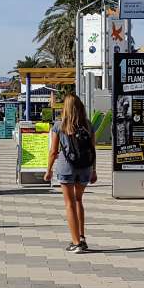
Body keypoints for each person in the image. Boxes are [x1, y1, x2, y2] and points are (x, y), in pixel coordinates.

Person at [45, 93, 96, 252]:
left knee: (69, 203)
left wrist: (48, 171)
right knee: (79, 200)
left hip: (66, 168)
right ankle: (82, 237)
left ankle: (76, 243)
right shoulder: (88, 124)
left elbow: (53, 151)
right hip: (85, 167)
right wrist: (94, 170)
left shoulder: (59, 125)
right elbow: (93, 149)